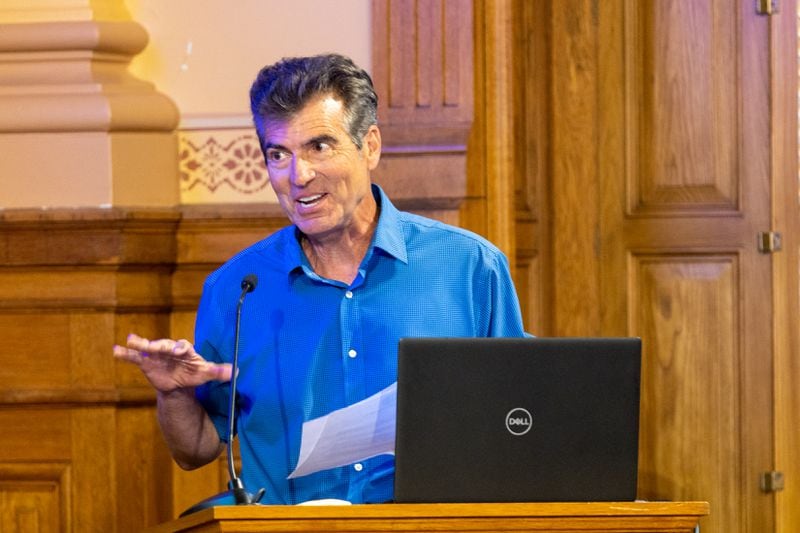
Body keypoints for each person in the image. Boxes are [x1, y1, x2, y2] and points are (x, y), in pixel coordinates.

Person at [113, 53, 526, 505]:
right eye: (278, 155)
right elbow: (195, 450)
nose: (298, 176)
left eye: (319, 147)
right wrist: (174, 396)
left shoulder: (469, 267)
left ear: (369, 146)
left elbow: (518, 420)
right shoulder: (235, 289)